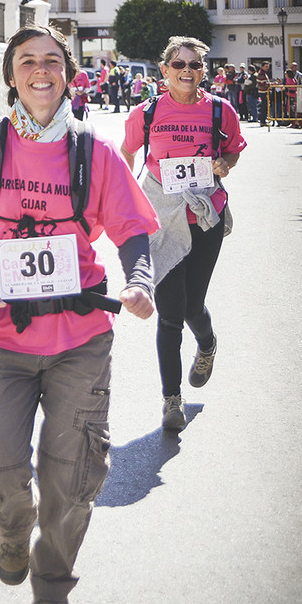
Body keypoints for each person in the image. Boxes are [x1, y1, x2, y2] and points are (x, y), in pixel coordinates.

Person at [0, 24, 159, 604]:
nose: (42, 71)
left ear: (69, 72)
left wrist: (140, 280)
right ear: (11, 75)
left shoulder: (94, 151)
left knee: (73, 475)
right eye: (28, 61)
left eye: (53, 61)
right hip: (1, 339)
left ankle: (53, 581)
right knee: (1, 469)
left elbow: (132, 230)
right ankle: (13, 526)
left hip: (80, 338)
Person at [121, 35, 246, 431]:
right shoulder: (146, 112)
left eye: (194, 65)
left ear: (203, 72)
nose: (187, 71)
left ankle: (207, 344)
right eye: (179, 64)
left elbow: (234, 149)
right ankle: (172, 400)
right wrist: (131, 194)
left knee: (193, 306)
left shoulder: (219, 111)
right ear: (164, 71)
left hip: (205, 219)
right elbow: (126, 152)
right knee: (171, 313)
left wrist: (224, 165)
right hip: (162, 221)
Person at [256, 60, 271, 126]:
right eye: (266, 66)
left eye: (268, 66)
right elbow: (263, 83)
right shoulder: (261, 73)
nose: (267, 68)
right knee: (264, 107)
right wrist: (271, 84)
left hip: (264, 91)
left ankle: (263, 120)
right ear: (262, 66)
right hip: (263, 92)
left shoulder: (263, 73)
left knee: (265, 106)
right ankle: (262, 121)